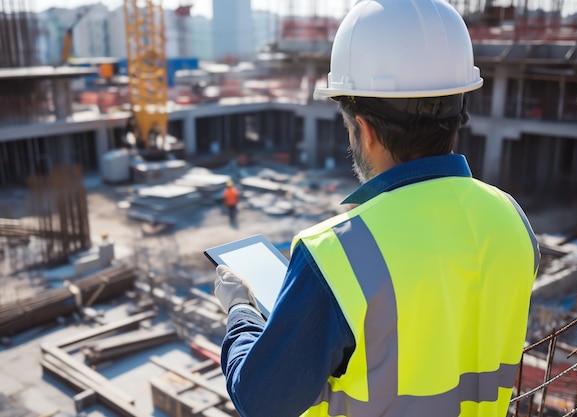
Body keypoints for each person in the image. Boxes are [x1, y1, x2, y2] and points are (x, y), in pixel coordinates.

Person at [213, 0, 540, 416]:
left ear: (363, 129)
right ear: (458, 112)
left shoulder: (336, 255)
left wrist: (241, 310)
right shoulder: (511, 220)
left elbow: (260, 401)